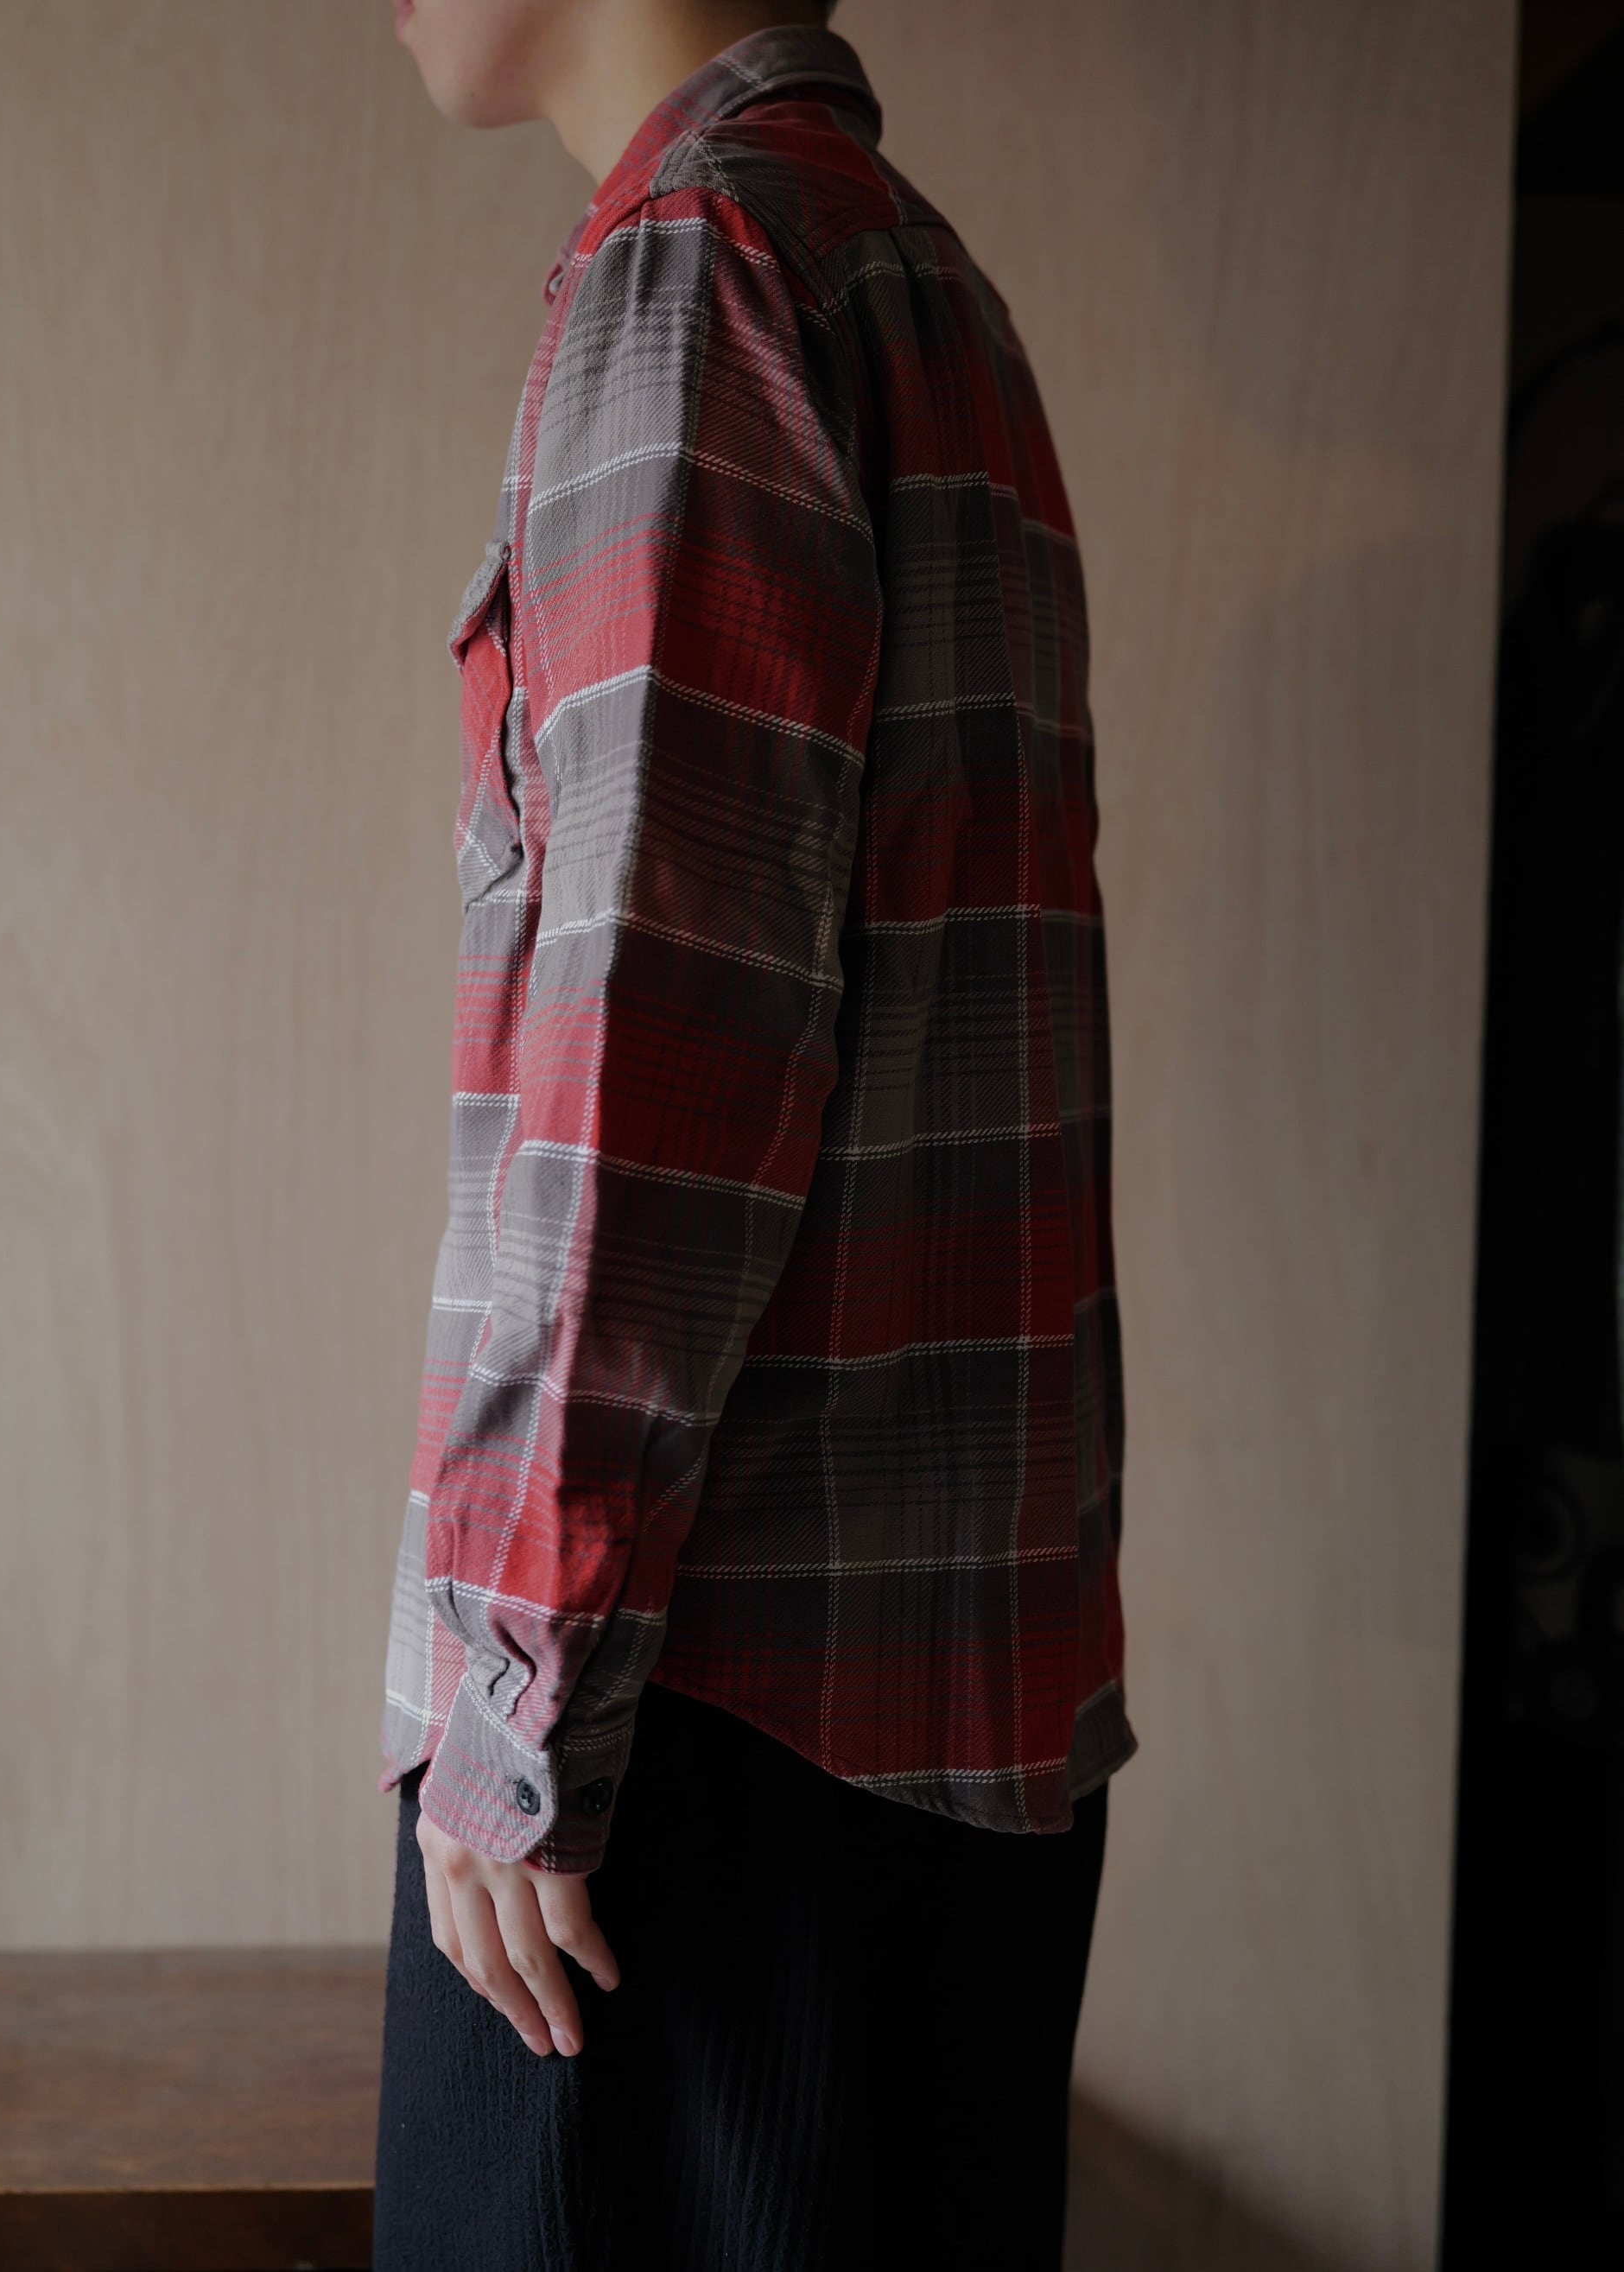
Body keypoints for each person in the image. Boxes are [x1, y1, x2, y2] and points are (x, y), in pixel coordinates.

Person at [372, 4, 1136, 2264]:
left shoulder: (702, 273)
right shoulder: (916, 277)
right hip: (927, 1764)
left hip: (682, 1775)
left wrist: (515, 1711)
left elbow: (658, 1042)